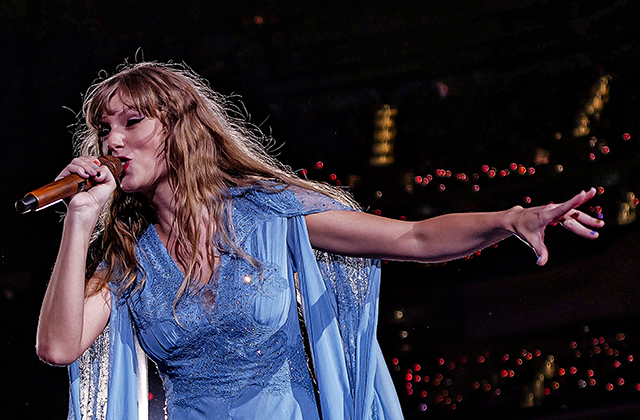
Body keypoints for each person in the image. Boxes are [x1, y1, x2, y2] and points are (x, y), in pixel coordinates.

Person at [35, 62, 603, 420]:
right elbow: (58, 348)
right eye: (103, 128)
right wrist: (79, 222)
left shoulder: (272, 217)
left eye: (130, 122)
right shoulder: (130, 258)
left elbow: (414, 237)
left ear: (179, 129)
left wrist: (509, 219)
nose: (112, 140)